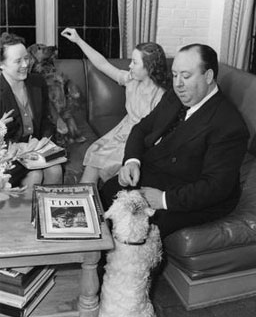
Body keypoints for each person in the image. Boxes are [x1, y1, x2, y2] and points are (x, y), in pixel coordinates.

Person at [100, 43, 249, 238]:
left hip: (193, 192)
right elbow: (142, 128)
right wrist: (131, 162)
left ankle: (123, 267)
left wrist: (163, 199)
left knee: (138, 226)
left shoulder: (229, 125)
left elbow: (215, 187)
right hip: (162, 171)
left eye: (186, 76)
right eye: (175, 74)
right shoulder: (175, 94)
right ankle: (97, 265)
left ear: (209, 76)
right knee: (107, 191)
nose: (177, 83)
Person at [61, 28, 170, 184]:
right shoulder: (130, 79)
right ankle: (82, 202)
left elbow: (157, 134)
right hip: (121, 131)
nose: (130, 66)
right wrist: (78, 40)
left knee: (102, 165)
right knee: (94, 160)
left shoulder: (161, 96)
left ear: (149, 67)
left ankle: (89, 201)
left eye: (135, 62)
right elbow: (102, 64)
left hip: (139, 140)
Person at [0, 32, 63, 190]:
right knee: (36, 176)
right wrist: (21, 149)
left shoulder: (37, 81)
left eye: (26, 58)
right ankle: (28, 215)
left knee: (56, 170)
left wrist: (46, 141)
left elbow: (46, 120)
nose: (25, 65)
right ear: (2, 64)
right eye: (18, 61)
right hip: (9, 155)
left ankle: (51, 212)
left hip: (37, 149)